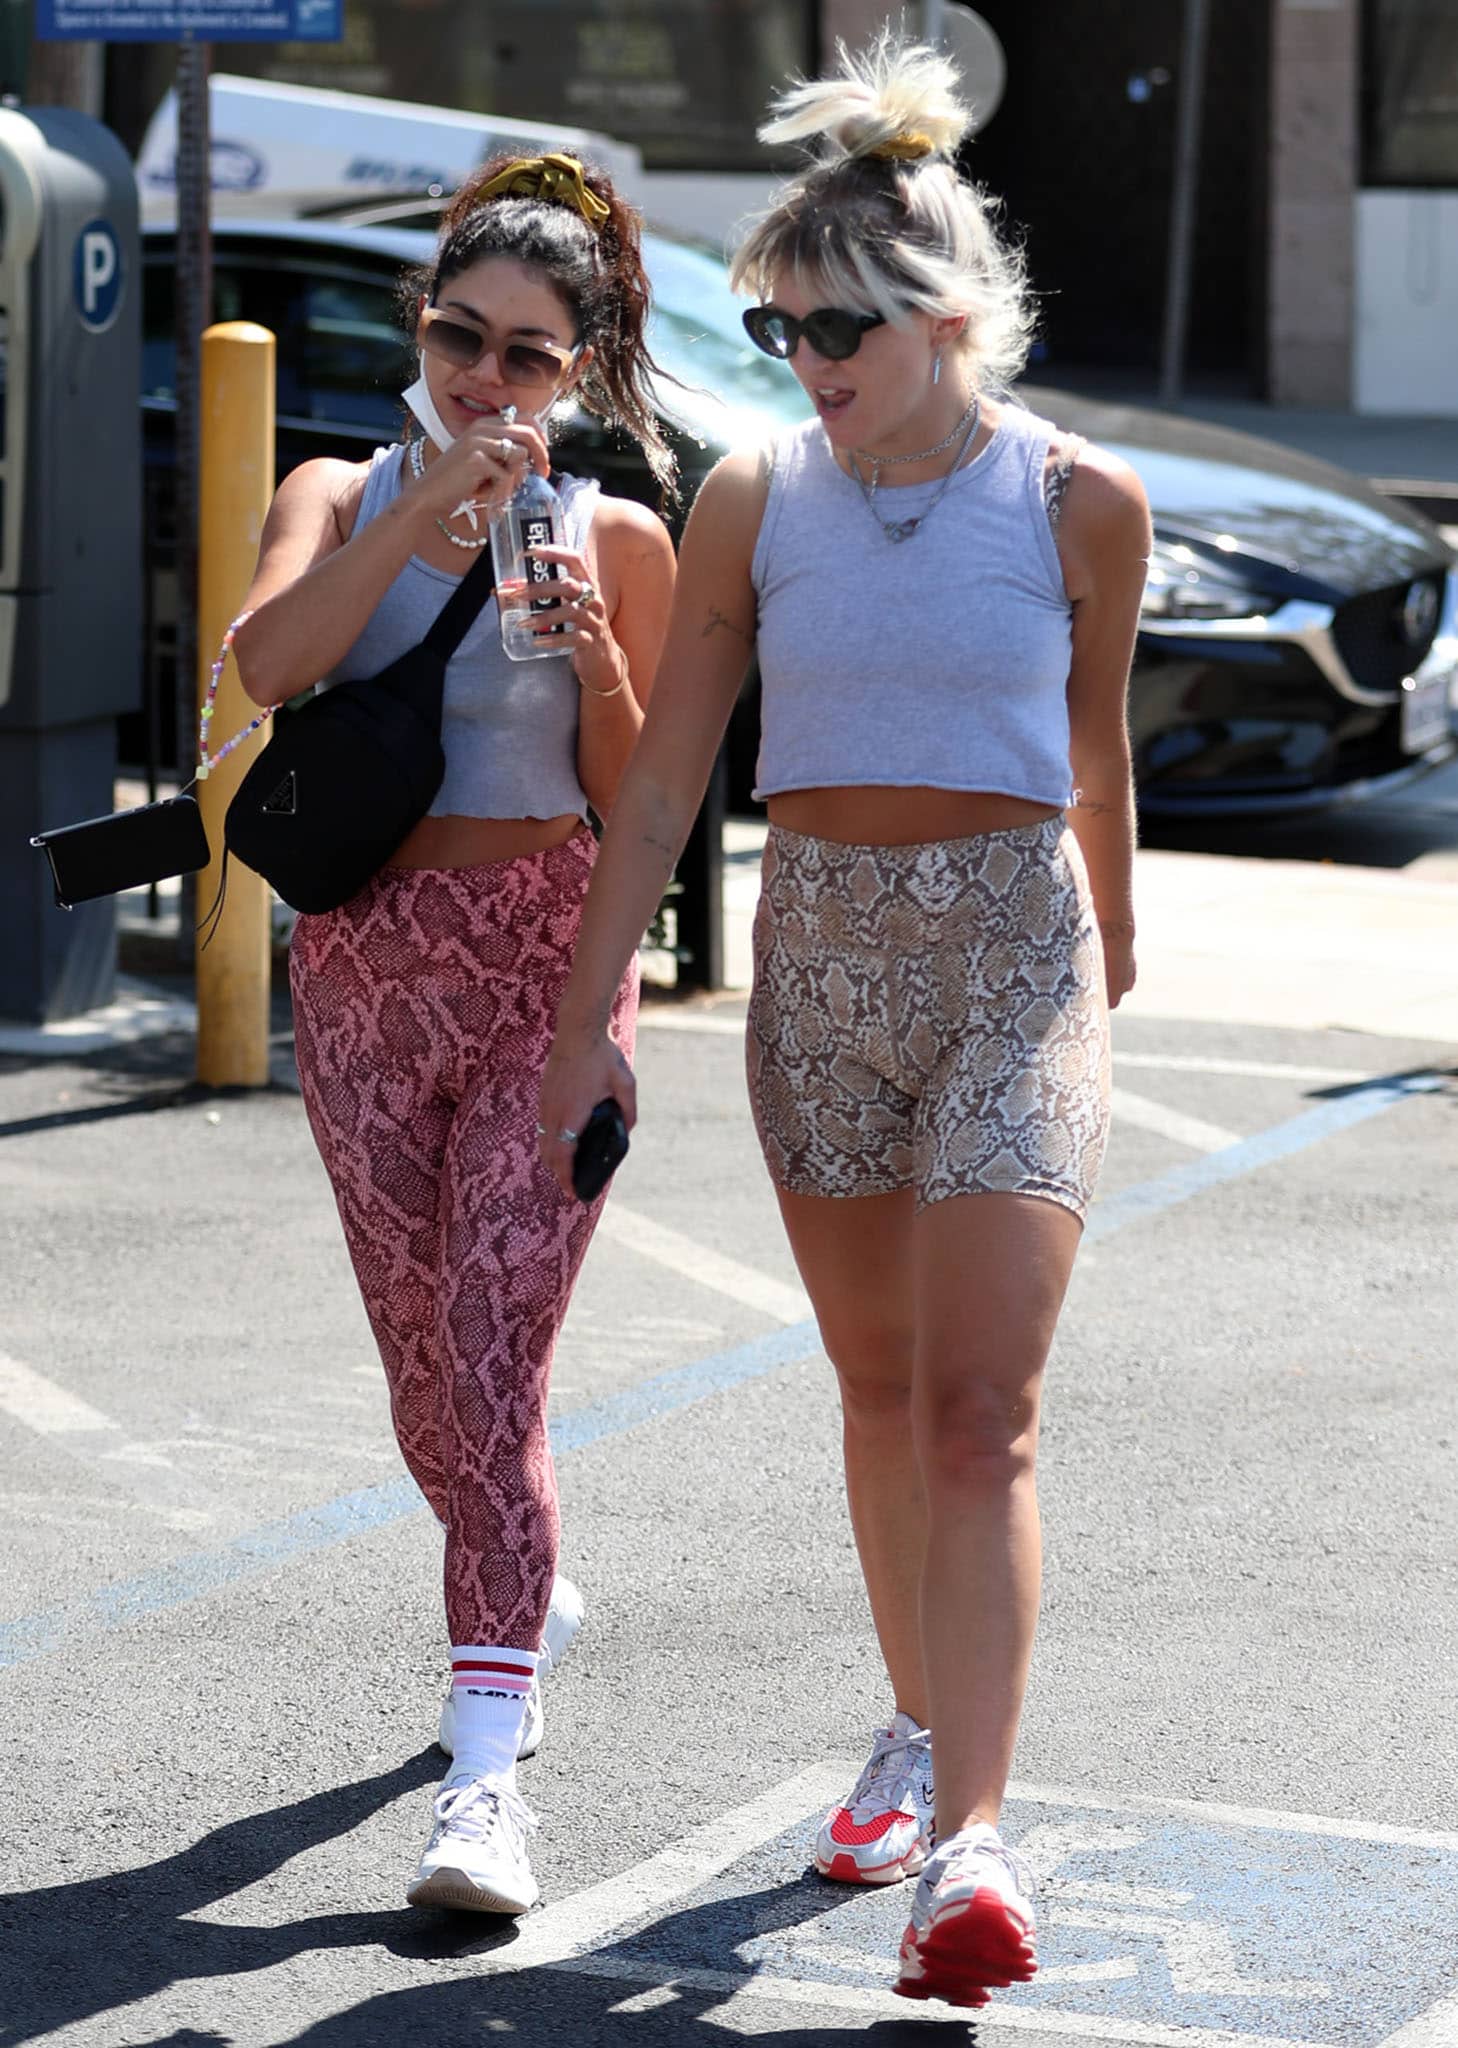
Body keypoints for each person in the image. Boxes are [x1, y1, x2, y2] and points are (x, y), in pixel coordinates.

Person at [537, 33, 1149, 2010]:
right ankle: (914, 1728)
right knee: (884, 1398)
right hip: (819, 964)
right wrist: (588, 1018)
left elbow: (1096, 751)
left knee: (983, 1417)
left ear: (947, 314)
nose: (800, 351)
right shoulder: (749, 499)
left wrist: (1108, 959)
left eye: (835, 322)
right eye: (776, 318)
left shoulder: (1079, 500)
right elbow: (662, 785)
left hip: (1008, 957)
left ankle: (974, 1843)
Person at [232, 152, 678, 1916]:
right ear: (420, 331)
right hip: (361, 962)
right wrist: (421, 520)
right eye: (459, 337)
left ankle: (483, 1779)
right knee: (429, 1373)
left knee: (497, 1351)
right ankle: (512, 1562)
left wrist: (602, 666)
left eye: (529, 356)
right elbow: (264, 670)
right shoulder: (339, 492)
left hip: (549, 963)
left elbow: (638, 811)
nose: (487, 379)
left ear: (585, 367)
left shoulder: (622, 533)